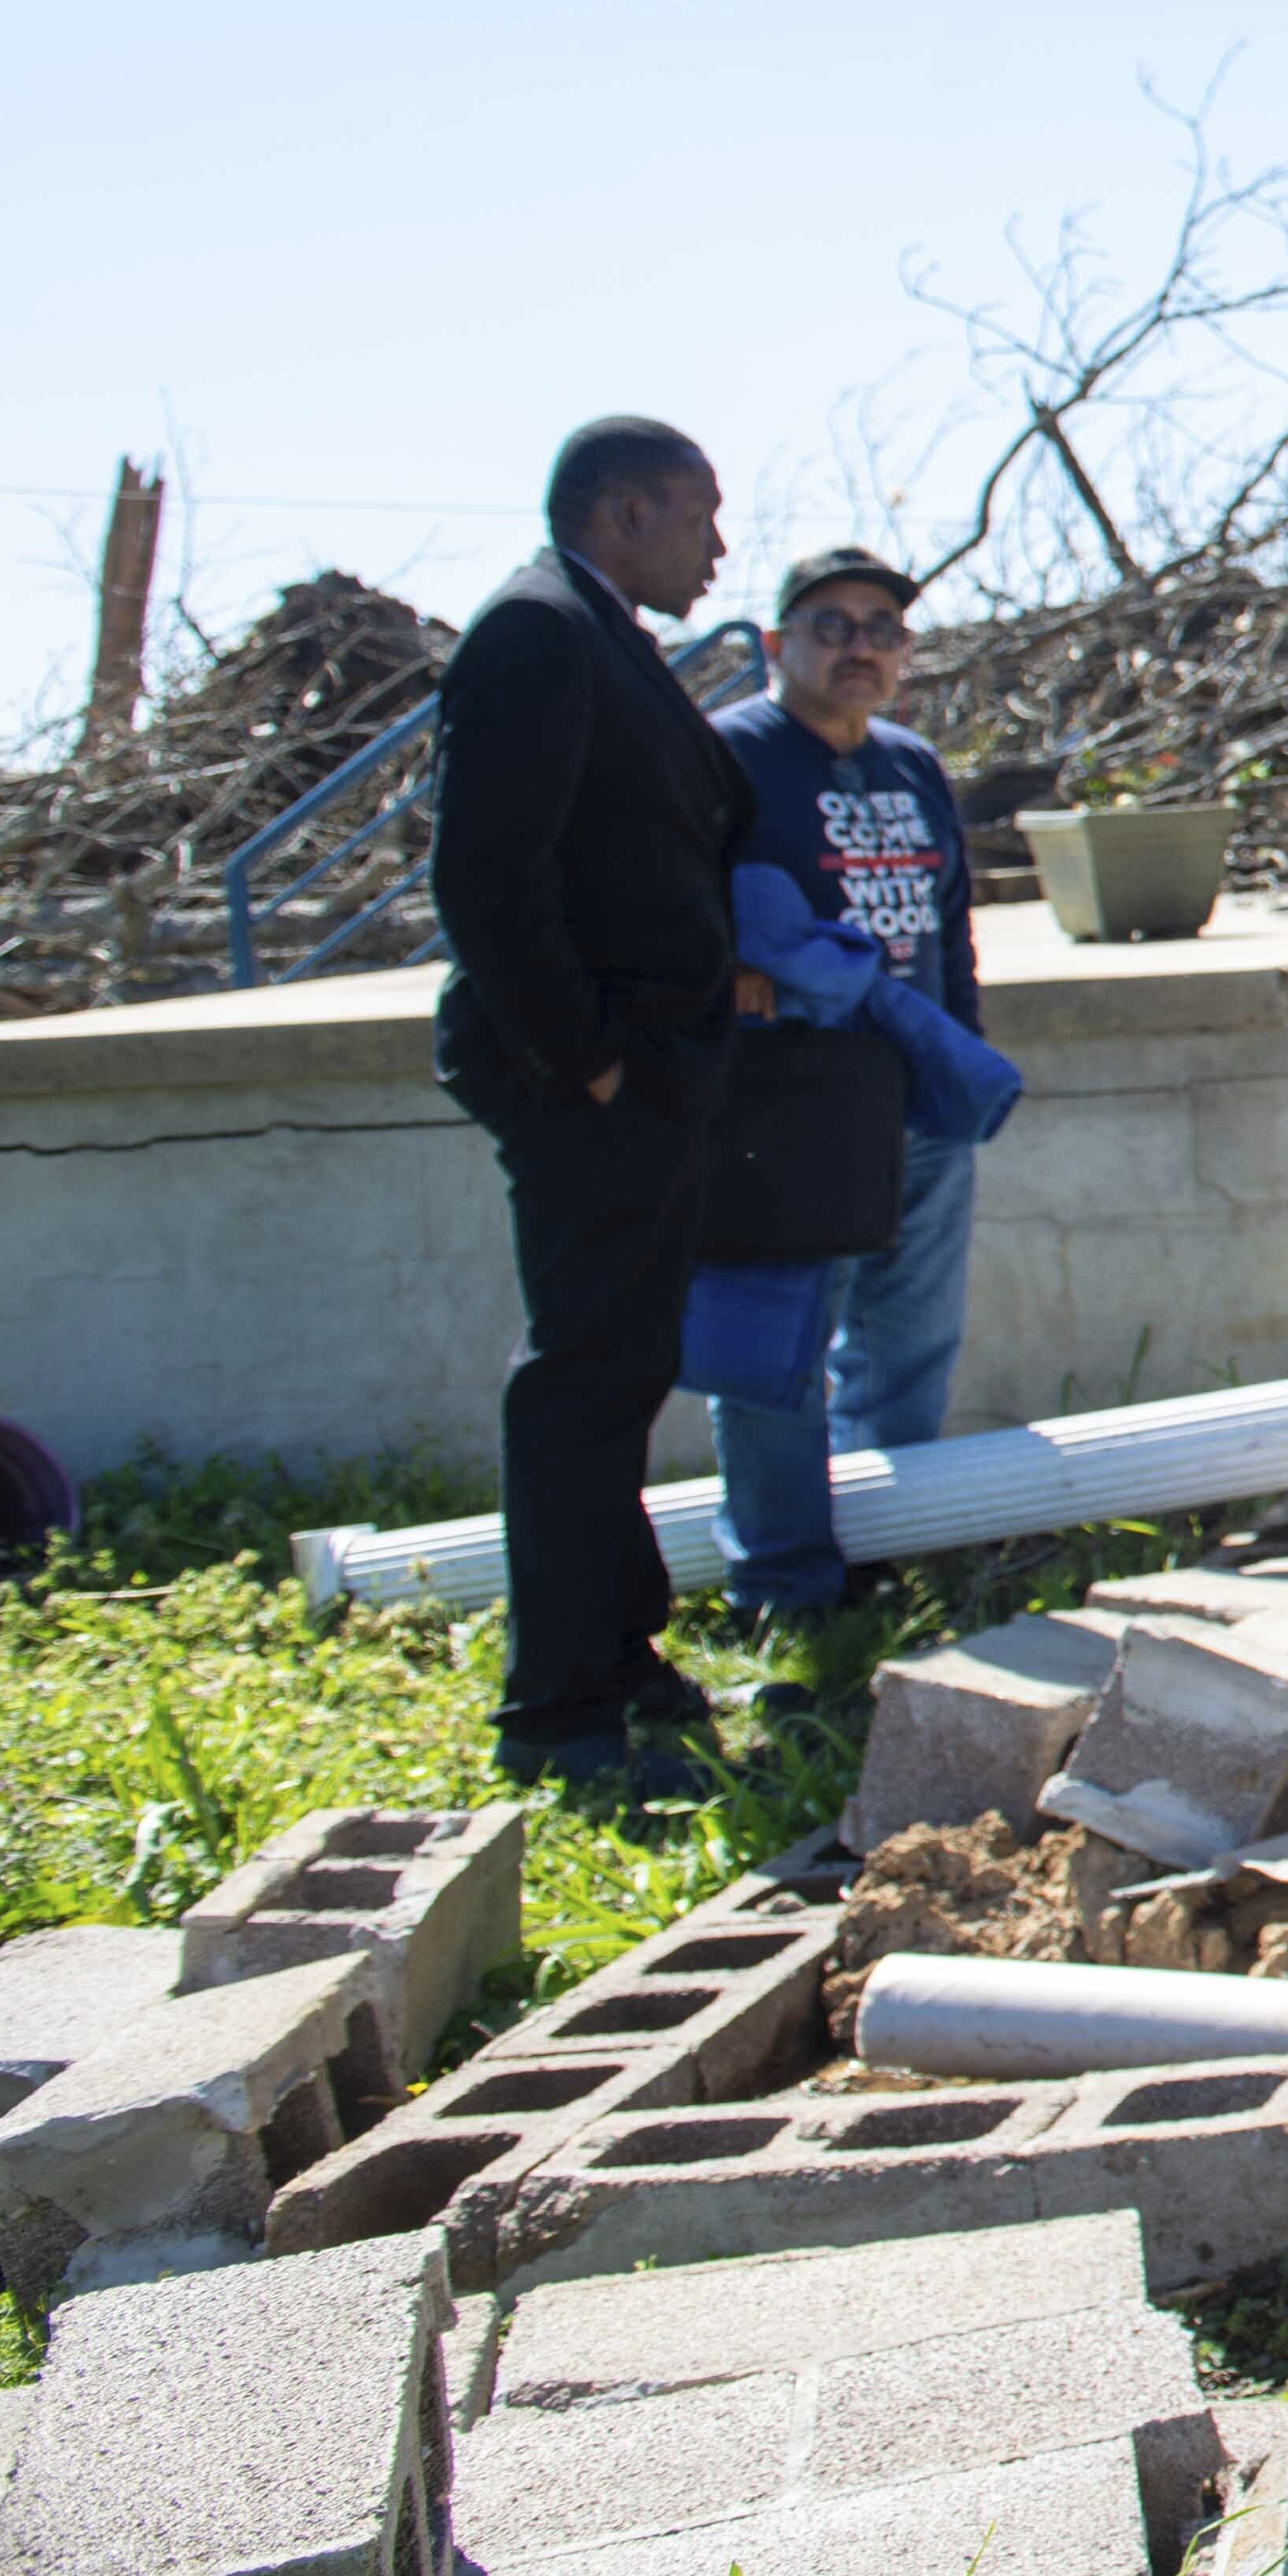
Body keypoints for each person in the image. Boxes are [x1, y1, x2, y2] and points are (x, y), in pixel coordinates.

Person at [430, 416, 751, 1789]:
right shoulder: (538, 634)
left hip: (648, 1069)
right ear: (623, 513)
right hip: (591, 1079)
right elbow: (486, 880)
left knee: (620, 1368)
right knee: (579, 1380)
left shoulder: (596, 627)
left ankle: (616, 1646)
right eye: (702, 516)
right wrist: (590, 1058)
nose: (720, 547)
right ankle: (559, 1713)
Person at [703, 546, 984, 1618]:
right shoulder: (728, 759)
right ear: (778, 645)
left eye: (882, 628)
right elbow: (672, 902)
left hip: (913, 1090)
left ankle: (883, 1546)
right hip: (789, 1098)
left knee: (909, 1336)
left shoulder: (911, 763)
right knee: (775, 1346)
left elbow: (949, 926)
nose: (859, 646)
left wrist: (963, 1051)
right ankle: (781, 1579)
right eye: (832, 625)